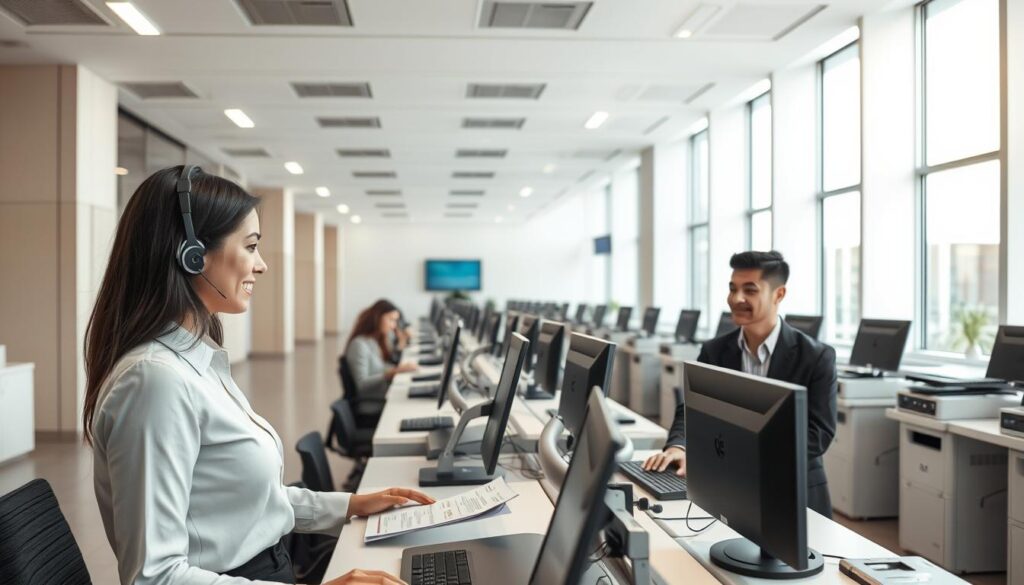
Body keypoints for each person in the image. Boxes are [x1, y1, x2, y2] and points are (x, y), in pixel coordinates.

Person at [84, 165, 430, 585]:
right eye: (250, 246)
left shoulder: (198, 364)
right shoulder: (155, 382)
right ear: (191, 254)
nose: (262, 265)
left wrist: (351, 505)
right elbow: (154, 577)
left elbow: (250, 505)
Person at [643, 250, 838, 517]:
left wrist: (742, 454)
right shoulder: (714, 351)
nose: (737, 299)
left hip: (794, 492)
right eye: (732, 289)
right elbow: (691, 408)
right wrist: (680, 445)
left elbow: (818, 435)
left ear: (779, 294)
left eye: (750, 290)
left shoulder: (816, 357)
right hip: (729, 489)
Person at [345, 300, 418, 398]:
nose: (394, 326)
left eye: (395, 321)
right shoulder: (359, 345)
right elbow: (361, 384)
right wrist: (393, 372)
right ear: (377, 317)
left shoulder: (376, 340)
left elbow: (381, 367)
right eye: (391, 320)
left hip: (384, 393)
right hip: (372, 402)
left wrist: (401, 368)